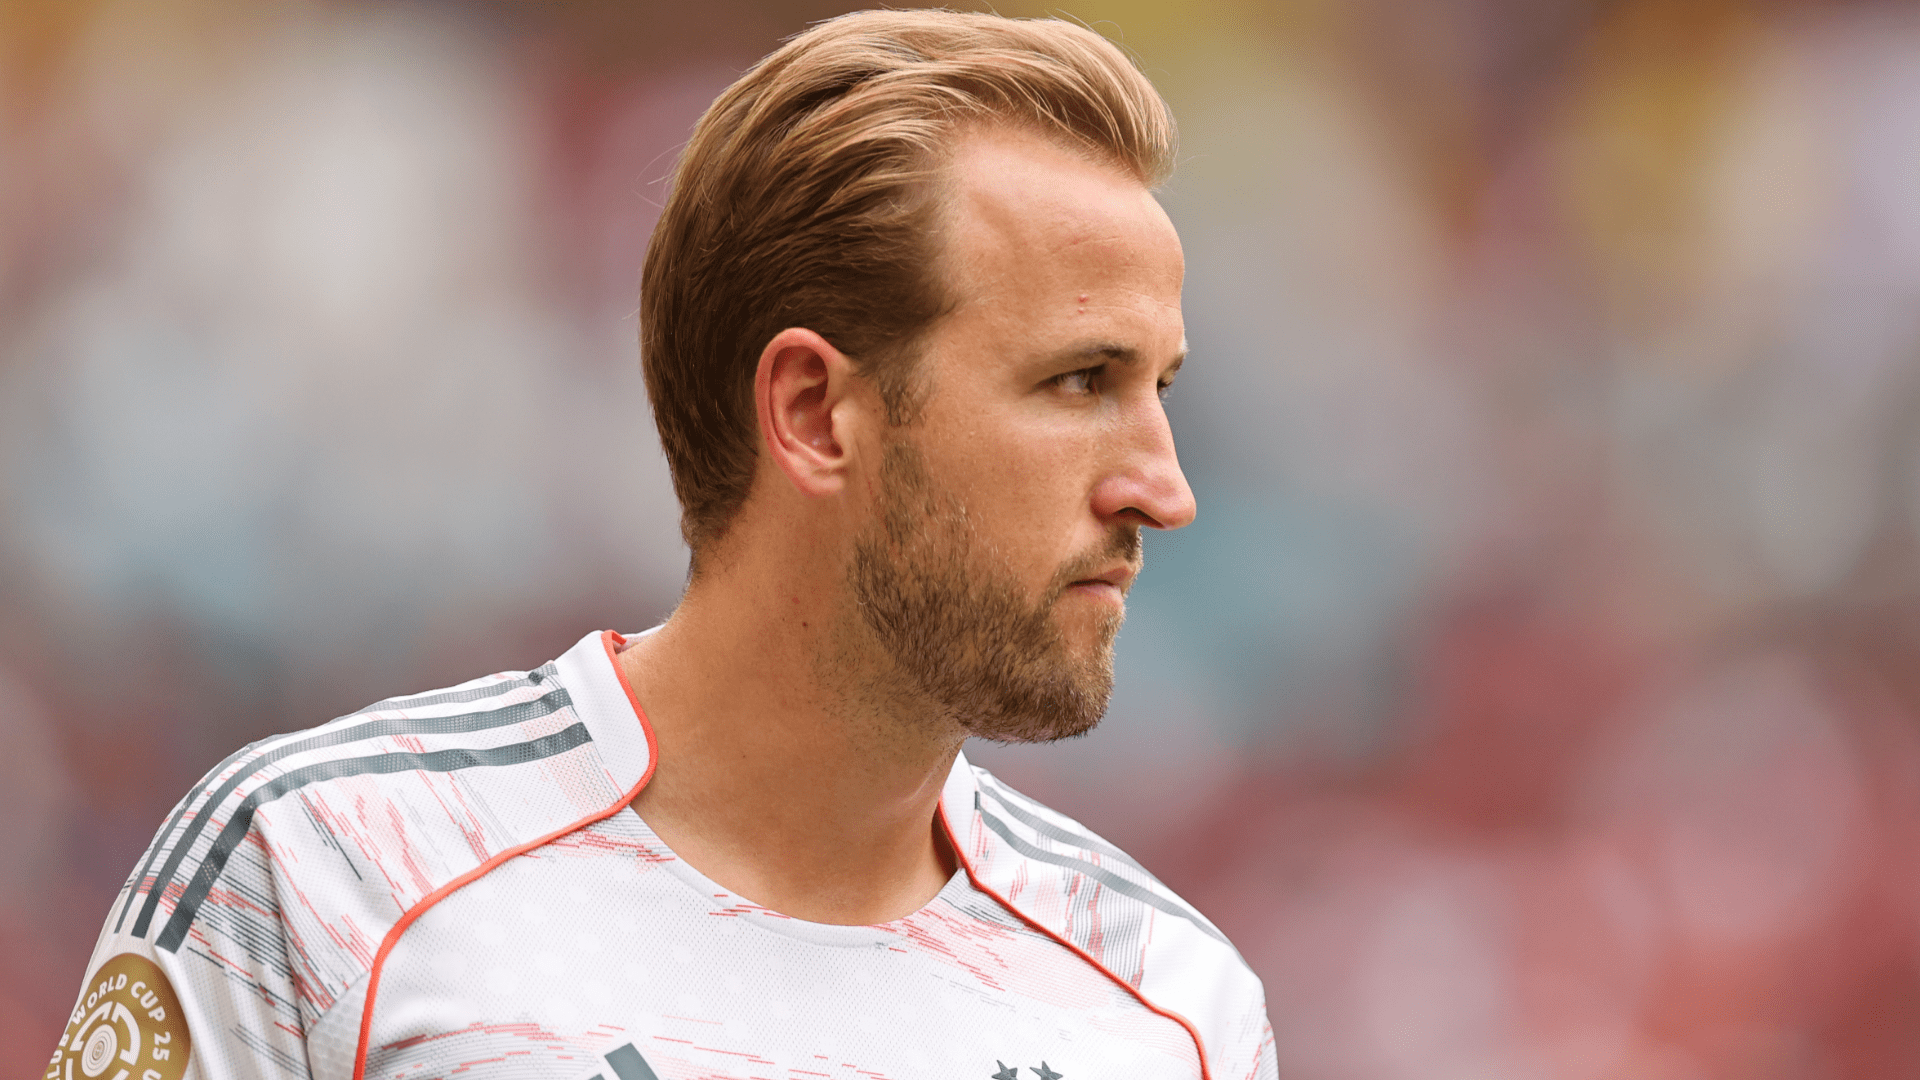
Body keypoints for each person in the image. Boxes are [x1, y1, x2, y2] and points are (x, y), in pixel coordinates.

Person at [50, 10, 1273, 1080]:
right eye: (1079, 381)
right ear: (813, 414)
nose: (1164, 490)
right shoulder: (323, 878)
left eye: (1159, 387)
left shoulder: (1173, 1006)